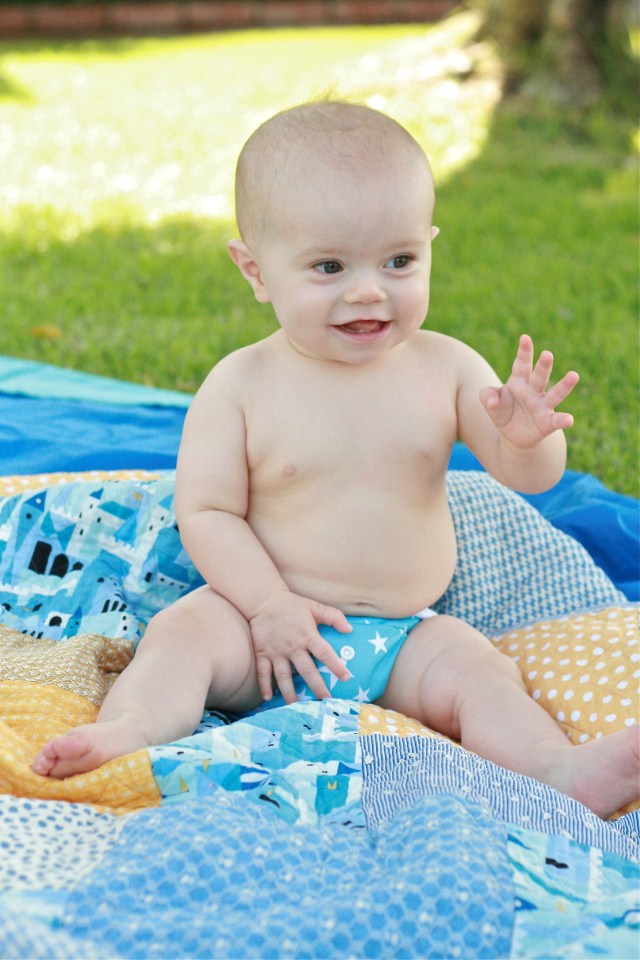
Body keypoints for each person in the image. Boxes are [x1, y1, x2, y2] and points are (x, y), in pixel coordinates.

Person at [32, 101, 639, 817]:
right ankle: (129, 732)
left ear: (429, 247)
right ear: (256, 270)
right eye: (329, 266)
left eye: (399, 261)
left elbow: (526, 478)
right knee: (180, 638)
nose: (368, 290)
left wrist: (530, 439)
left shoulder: (446, 368)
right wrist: (268, 605)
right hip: (256, 632)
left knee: (481, 670)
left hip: (402, 638)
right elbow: (208, 511)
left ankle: (555, 772)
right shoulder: (242, 386)